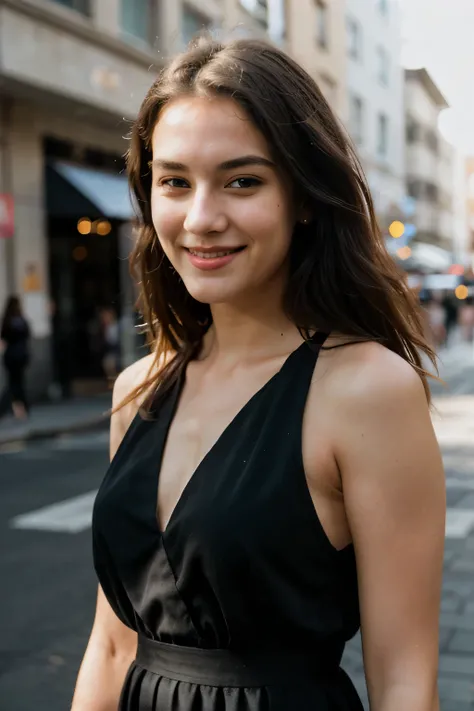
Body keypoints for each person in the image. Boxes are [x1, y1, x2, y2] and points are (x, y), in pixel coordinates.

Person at [72, 38, 446, 711]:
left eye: (242, 180)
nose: (201, 218)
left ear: (304, 197)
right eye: (175, 181)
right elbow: (111, 646)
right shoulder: (139, 389)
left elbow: (405, 679)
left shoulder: (366, 388)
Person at [0, 295, 31, 420]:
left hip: (11, 356)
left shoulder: (8, 320)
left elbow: (4, 336)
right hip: (20, 355)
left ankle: (14, 408)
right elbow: (28, 334)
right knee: (18, 383)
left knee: (14, 383)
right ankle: (20, 408)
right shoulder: (21, 320)